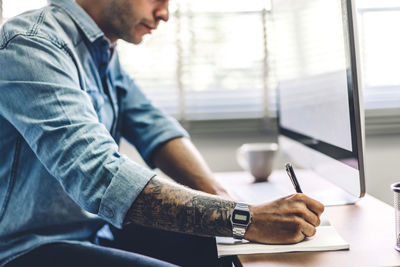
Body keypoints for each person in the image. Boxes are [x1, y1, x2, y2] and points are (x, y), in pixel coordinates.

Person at [0, 0, 325, 266]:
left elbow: (154, 127)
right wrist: (244, 219)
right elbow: (99, 176)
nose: (165, 14)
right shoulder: (33, 45)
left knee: (225, 258)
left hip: (92, 231)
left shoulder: (101, 51)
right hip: (25, 250)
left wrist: (225, 200)